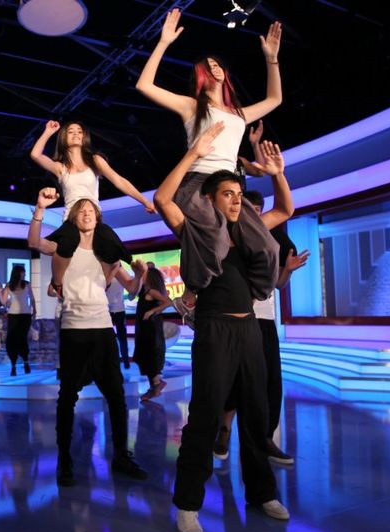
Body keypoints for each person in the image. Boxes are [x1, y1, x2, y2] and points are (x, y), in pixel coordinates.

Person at [153, 123, 295, 532]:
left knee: (256, 415)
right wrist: (194, 154)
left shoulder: (251, 233)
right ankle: (188, 505)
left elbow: (285, 210)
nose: (235, 200)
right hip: (214, 330)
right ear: (209, 200)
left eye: (237, 194)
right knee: (205, 416)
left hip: (249, 327)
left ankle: (262, 493)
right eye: (226, 194)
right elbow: (162, 198)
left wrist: (278, 174)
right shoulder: (194, 232)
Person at [137, 9, 283, 304]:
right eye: (209, 66)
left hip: (229, 185)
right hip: (199, 183)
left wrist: (271, 58)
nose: (215, 68)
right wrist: (163, 42)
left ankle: (254, 295)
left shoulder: (238, 114)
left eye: (218, 65)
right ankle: (191, 295)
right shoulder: (191, 106)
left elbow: (274, 99)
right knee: (215, 242)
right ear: (200, 77)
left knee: (268, 247)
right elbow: (144, 85)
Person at [28, 188, 148, 487]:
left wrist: (141, 274)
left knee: (116, 396)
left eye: (91, 210)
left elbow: (133, 290)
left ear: (98, 218)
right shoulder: (62, 248)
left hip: (102, 329)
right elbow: (33, 242)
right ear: (73, 217)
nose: (86, 213)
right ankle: (64, 460)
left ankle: (121, 456)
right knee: (67, 397)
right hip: (73, 329)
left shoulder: (107, 253)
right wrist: (40, 209)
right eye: (81, 210)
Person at [213, 190, 309, 464]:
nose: (253, 213)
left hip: (264, 321)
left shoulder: (271, 239)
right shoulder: (227, 236)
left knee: (270, 383)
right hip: (234, 319)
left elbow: (278, 284)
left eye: (258, 209)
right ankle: (224, 431)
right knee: (232, 381)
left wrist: (288, 269)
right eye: (249, 208)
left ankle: (265, 439)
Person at [30, 120, 156, 295]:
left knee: (112, 243)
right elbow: (35, 155)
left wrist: (144, 201)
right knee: (64, 245)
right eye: (71, 131)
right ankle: (57, 284)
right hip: (72, 221)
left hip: (94, 220)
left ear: (84, 137)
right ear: (64, 138)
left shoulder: (95, 160)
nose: (76, 133)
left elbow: (119, 180)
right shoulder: (60, 167)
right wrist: (48, 132)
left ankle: (104, 283)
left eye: (79, 131)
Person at [133, 267, 172, 401]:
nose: (141, 276)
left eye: (144, 274)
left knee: (148, 355)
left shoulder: (152, 291)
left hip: (150, 329)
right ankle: (154, 386)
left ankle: (156, 384)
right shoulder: (144, 291)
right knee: (143, 355)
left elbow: (168, 302)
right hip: (144, 328)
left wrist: (152, 311)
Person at [0, 266, 37, 376]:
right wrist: (0, 292)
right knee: (11, 340)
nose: (24, 274)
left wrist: (35, 309)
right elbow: (4, 301)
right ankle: (13, 365)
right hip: (13, 315)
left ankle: (26, 361)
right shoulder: (9, 285)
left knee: (22, 339)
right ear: (17, 273)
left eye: (24, 273)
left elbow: (32, 298)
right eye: (22, 272)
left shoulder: (27, 284)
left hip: (25, 315)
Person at [105, 278, 130, 369]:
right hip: (116, 310)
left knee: (110, 338)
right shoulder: (122, 277)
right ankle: (125, 361)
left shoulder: (106, 276)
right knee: (122, 338)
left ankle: (114, 361)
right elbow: (132, 293)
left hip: (111, 310)